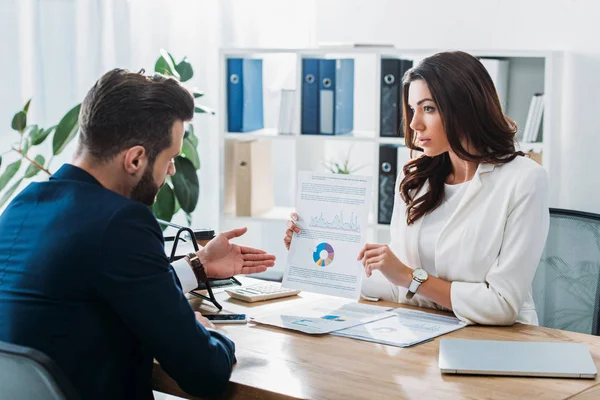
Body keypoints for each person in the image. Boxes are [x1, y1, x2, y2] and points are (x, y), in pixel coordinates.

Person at [0, 69, 276, 399]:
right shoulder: (120, 221)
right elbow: (204, 373)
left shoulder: (22, 206)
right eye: (170, 158)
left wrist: (196, 266)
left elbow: (97, 288)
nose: (172, 170)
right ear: (135, 159)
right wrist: (209, 333)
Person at [284, 51, 549, 326]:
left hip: (499, 343)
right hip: (425, 332)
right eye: (412, 109)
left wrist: (410, 278)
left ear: (466, 107)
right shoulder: (416, 176)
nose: (414, 123)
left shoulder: (524, 180)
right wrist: (315, 252)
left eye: (428, 108)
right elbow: (400, 288)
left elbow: (501, 305)